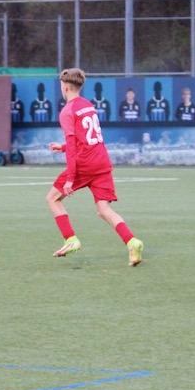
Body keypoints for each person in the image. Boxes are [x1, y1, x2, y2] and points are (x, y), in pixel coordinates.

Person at [47, 68, 143, 267]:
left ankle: (70, 239)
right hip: (101, 161)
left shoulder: (67, 111)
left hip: (84, 163)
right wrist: (62, 147)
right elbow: (86, 139)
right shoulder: (88, 106)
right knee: (103, 209)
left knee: (52, 199)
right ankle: (132, 242)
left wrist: (71, 179)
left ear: (65, 88)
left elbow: (75, 147)